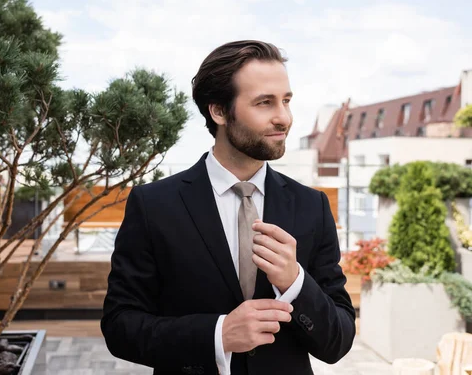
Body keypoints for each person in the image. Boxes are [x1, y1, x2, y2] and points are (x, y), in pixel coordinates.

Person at [101, 40, 356, 375]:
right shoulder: (153, 205)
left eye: (286, 101)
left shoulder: (313, 206)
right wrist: (218, 334)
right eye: (265, 103)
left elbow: (338, 341)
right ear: (219, 111)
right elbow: (120, 327)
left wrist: (295, 283)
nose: (283, 117)